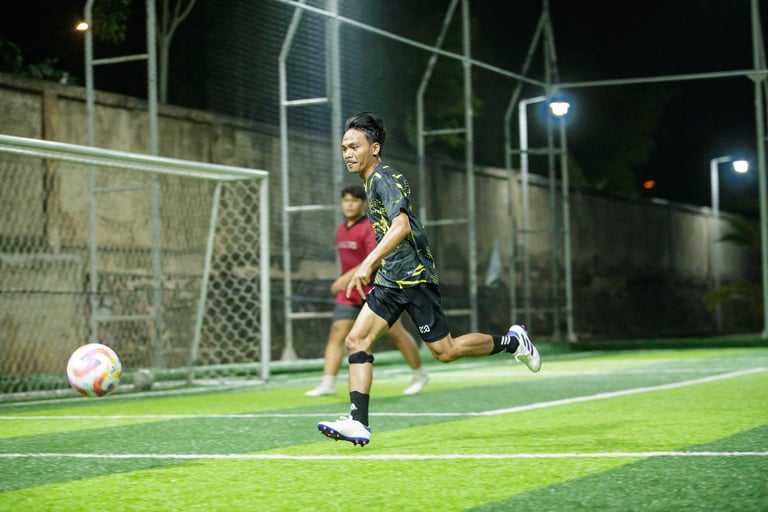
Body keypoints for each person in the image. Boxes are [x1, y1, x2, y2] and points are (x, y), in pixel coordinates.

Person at [318, 112, 541, 446]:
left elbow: (401, 226)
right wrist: (378, 267)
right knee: (356, 340)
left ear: (375, 148)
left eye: (355, 146)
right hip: (391, 280)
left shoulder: (385, 178)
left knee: (445, 351)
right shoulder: (369, 179)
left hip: (416, 278)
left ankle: (514, 342)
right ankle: (358, 422)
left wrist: (367, 263)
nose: (348, 152)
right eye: (344, 147)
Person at [305, 185, 429, 397]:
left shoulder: (369, 228)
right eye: (346, 201)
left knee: (395, 333)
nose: (350, 204)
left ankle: (419, 374)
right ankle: (328, 382)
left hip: (375, 288)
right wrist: (347, 281)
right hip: (350, 293)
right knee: (337, 334)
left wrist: (345, 278)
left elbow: (374, 258)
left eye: (354, 200)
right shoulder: (341, 229)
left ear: (362, 204)